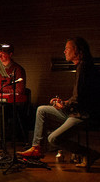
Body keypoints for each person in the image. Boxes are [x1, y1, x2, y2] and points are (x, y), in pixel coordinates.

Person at [17, 37, 100, 167]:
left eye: (67, 48)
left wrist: (64, 105)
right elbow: (81, 96)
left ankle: (89, 153)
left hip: (82, 115)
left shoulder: (84, 68)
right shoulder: (81, 67)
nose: (64, 51)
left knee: (53, 139)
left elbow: (80, 100)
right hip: (75, 111)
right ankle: (36, 148)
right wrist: (64, 102)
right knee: (42, 110)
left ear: (77, 50)